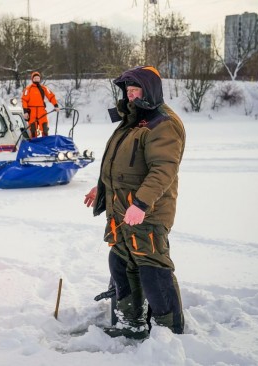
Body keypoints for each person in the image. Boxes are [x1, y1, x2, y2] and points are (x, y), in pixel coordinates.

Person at [84, 66, 186, 339]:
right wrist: (102, 187)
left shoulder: (163, 123)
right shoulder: (133, 120)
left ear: (149, 90)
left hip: (147, 213)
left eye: (135, 90)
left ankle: (169, 333)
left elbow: (162, 169)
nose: (130, 97)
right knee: (120, 262)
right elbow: (120, 163)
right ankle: (131, 323)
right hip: (121, 210)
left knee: (153, 269)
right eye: (127, 91)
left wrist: (140, 204)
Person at [21, 71, 60, 138]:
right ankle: (34, 143)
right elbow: (24, 100)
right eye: (35, 78)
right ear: (32, 79)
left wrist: (56, 105)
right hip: (31, 111)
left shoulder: (44, 88)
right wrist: (25, 112)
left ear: (40, 79)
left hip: (41, 111)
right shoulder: (28, 89)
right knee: (33, 129)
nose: (36, 79)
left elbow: (51, 96)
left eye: (37, 78)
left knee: (45, 128)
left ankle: (45, 143)